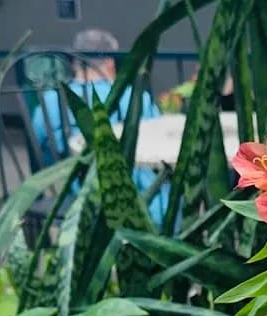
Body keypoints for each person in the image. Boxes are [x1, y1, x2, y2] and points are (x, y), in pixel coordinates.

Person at [31, 28, 169, 227]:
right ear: (111, 62)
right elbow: (157, 142)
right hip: (137, 191)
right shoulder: (134, 98)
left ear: (74, 61)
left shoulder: (49, 101)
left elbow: (43, 150)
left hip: (77, 192)